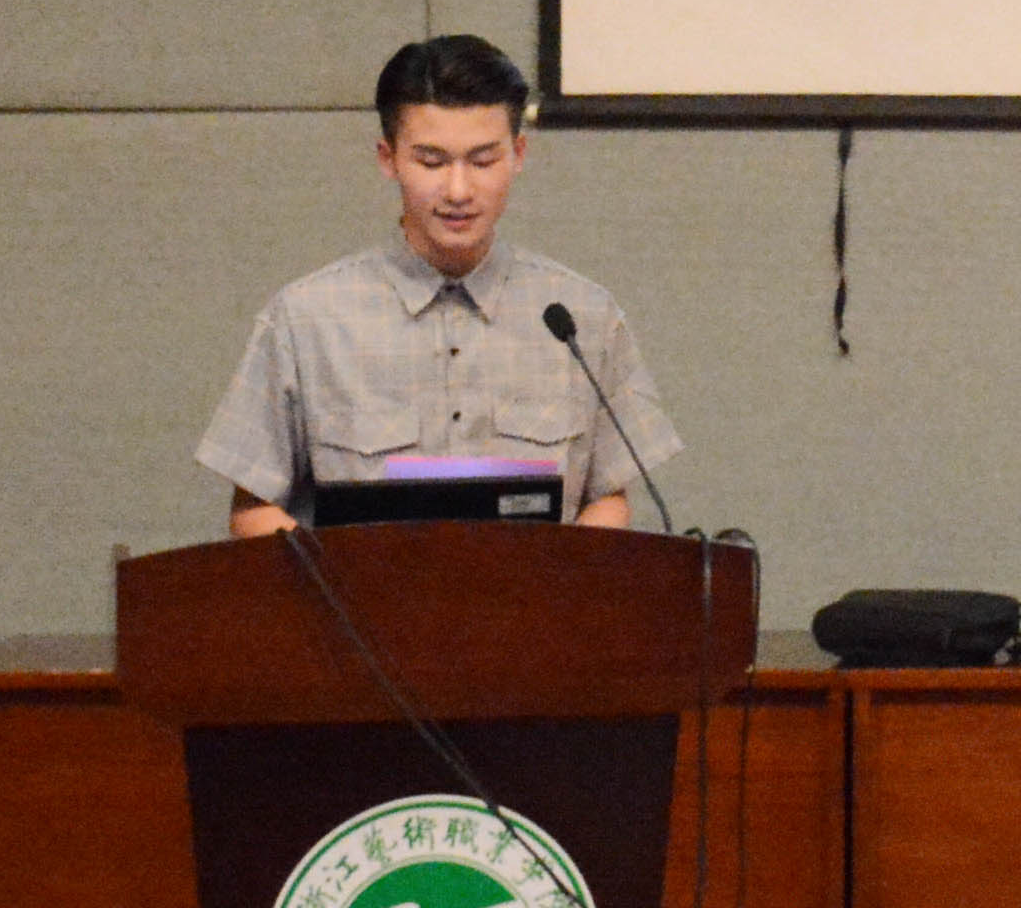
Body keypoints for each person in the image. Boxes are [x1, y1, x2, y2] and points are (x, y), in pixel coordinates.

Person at [199, 34, 679, 536]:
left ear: (518, 154)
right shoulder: (306, 320)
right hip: (353, 590)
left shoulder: (581, 317)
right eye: (431, 162)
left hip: (537, 590)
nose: (458, 190)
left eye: (483, 161)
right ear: (388, 159)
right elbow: (252, 509)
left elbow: (609, 496)